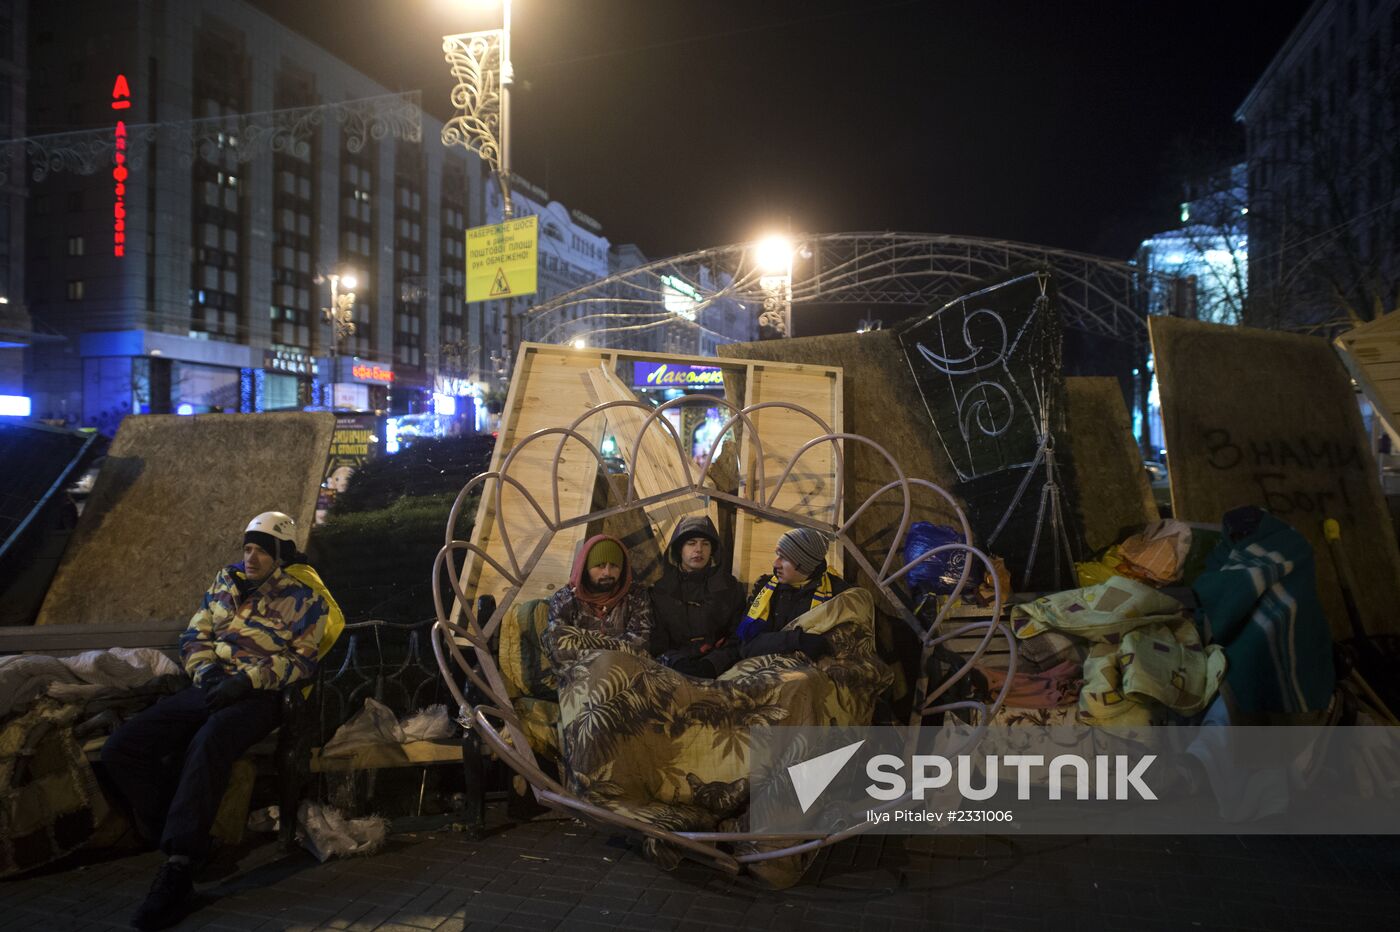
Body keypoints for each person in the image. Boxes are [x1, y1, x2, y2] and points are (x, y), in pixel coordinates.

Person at [102, 511, 342, 931]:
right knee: (123, 747)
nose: (250, 557)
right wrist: (207, 672)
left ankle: (179, 868)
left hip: (259, 698)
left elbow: (302, 662)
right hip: (210, 685)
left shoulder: (305, 599)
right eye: (247, 548)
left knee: (210, 740)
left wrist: (247, 682)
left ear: (280, 556)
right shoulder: (225, 582)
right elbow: (196, 635)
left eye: (261, 551)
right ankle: (181, 833)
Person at [735, 526, 851, 662]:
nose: (775, 563)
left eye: (784, 558)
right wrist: (797, 640)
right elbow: (747, 645)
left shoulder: (837, 594)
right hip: (763, 668)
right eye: (777, 555)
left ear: (804, 565)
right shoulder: (765, 588)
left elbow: (837, 648)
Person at [649, 516, 745, 678]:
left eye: (705, 544)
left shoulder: (730, 588)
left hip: (721, 669)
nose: (699, 549)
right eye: (691, 543)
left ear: (712, 550)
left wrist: (713, 663)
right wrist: (677, 661)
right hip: (673, 669)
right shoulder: (660, 591)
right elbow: (657, 642)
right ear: (679, 549)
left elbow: (739, 635)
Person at [546, 534, 653, 651]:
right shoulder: (564, 599)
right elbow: (559, 645)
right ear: (585, 568)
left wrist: (588, 643)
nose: (607, 572)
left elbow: (639, 644)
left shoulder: (635, 596)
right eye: (600, 566)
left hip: (623, 666)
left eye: (614, 566)